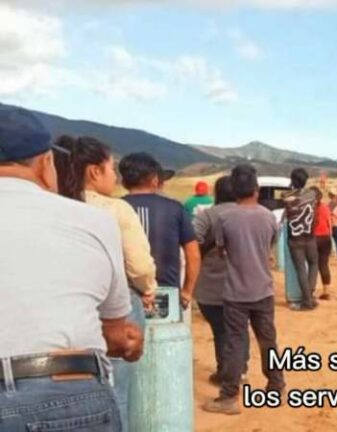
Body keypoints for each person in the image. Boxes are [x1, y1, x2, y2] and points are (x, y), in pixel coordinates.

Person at [0, 107, 142, 431]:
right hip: (64, 397)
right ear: (46, 163)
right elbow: (115, 335)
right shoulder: (93, 221)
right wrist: (128, 342)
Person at [52, 136, 157, 432]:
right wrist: (148, 288)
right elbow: (139, 266)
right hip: (116, 306)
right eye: (111, 168)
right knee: (117, 387)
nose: (115, 176)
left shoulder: (52, 204)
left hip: (65, 307)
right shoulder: (116, 209)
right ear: (94, 171)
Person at [203, 165, 286, 415]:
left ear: (234, 191)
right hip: (264, 290)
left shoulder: (225, 218)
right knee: (268, 340)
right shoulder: (268, 217)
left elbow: (221, 249)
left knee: (235, 344)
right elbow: (270, 245)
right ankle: (276, 386)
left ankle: (229, 396)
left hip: (235, 293)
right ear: (256, 190)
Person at [119, 153, 201, 309]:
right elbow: (193, 254)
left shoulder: (115, 208)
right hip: (167, 294)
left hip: (125, 295)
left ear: (123, 182)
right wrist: (187, 291)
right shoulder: (175, 208)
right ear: (155, 179)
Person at [194, 176, 250, 387]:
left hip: (211, 285)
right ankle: (240, 369)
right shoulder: (249, 214)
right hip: (244, 283)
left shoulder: (206, 216)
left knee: (221, 331)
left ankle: (226, 371)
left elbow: (192, 242)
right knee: (240, 328)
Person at [283, 168, 321, 311]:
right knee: (313, 264)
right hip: (310, 236)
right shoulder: (312, 194)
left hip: (295, 238)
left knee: (300, 269)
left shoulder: (286, 196)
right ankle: (310, 296)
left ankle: (307, 301)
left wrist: (291, 187)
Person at [313, 188, 333, 300]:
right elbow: (329, 223)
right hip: (325, 237)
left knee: (312, 265)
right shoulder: (325, 207)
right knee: (324, 265)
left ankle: (311, 290)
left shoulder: (309, 208)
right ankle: (326, 291)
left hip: (314, 237)